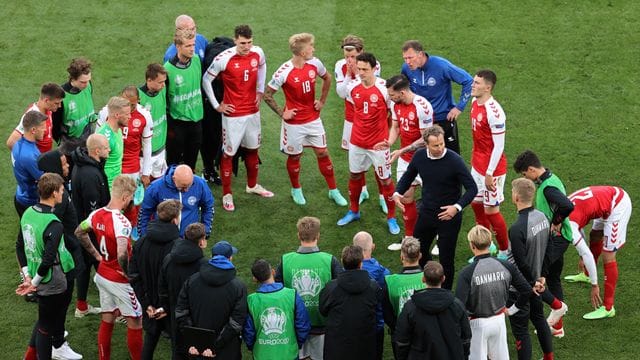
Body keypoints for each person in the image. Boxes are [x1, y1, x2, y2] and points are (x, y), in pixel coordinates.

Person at [263, 32, 346, 206]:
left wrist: (322, 101)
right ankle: (296, 189)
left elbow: (327, 77)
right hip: (294, 124)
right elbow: (267, 94)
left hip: (313, 119)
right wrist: (282, 113)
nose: (313, 49)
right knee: (295, 157)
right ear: (302, 52)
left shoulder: (315, 63)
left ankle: (333, 190)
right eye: (311, 46)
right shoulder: (284, 71)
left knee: (323, 152)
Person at [393, 125, 477, 289]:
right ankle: (427, 282)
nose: (440, 148)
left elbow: (472, 188)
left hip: (449, 217)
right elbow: (408, 175)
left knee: (446, 259)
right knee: (419, 252)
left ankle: (444, 292)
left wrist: (456, 207)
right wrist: (397, 193)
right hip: (427, 213)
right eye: (435, 145)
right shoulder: (419, 157)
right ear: (426, 144)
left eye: (442, 144)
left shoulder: (455, 160)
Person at [202, 24, 273, 212]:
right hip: (233, 115)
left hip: (253, 111)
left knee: (253, 149)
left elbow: (263, 66)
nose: (246, 46)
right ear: (235, 40)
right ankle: (227, 194)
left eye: (249, 42)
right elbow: (206, 80)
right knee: (229, 153)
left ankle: (252, 185)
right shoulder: (224, 59)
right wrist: (218, 105)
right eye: (243, 43)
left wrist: (260, 90)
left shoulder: (258, 53)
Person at [75, 175, 143, 360]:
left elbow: (79, 232)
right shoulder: (122, 222)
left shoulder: (95, 214)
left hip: (102, 275)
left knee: (108, 317)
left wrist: (97, 256)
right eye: (132, 197)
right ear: (126, 197)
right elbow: (122, 253)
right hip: (119, 280)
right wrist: (129, 275)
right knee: (136, 321)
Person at [336, 52, 400, 235]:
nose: (361, 72)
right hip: (356, 142)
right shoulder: (352, 87)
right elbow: (354, 110)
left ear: (374, 69)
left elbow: (393, 116)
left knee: (385, 179)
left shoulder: (384, 89)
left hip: (378, 144)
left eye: (365, 69)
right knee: (355, 176)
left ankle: (392, 218)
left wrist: (388, 139)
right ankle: (354, 211)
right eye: (359, 68)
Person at [16, 173, 78, 360]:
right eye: (60, 190)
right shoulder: (54, 223)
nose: (63, 194)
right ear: (53, 193)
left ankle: (32, 355)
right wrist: (33, 282)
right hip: (53, 280)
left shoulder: (28, 212)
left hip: (37, 275)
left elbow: (20, 246)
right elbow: (49, 259)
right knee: (46, 325)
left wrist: (27, 275)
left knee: (46, 321)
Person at [513, 150, 572, 335]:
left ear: (531, 169)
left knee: (536, 276)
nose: (526, 179)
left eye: (524, 174)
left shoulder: (547, 188)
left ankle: (545, 315)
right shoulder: (553, 178)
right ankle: (557, 326)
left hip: (556, 239)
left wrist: (556, 221)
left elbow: (568, 205)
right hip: (559, 237)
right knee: (553, 278)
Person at [455, 225, 535, 360]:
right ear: (489, 242)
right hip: (499, 321)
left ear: (472, 245)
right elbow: (527, 290)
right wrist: (512, 310)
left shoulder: (466, 273)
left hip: (476, 325)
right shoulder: (506, 265)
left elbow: (458, 307)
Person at [374, 74, 433, 248]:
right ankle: (409, 238)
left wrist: (402, 150)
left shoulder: (422, 107)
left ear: (402, 92)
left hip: (426, 161)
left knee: (433, 201)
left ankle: (438, 238)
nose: (390, 98)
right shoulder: (396, 104)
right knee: (406, 198)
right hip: (406, 160)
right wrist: (390, 142)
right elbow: (396, 126)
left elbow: (426, 139)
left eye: (392, 95)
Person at [274, 216, 342, 360]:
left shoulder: (285, 260)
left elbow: (278, 291)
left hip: (295, 326)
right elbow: (339, 290)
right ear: (318, 236)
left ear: (298, 235)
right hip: (322, 326)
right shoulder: (329, 260)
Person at [334, 35, 386, 212]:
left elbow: (368, 88)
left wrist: (354, 75)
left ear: (361, 53)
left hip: (371, 120)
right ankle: (362, 190)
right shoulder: (339, 66)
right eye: (346, 56)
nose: (349, 60)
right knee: (356, 160)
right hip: (352, 119)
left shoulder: (373, 64)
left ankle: (382, 197)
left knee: (377, 161)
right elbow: (342, 93)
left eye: (353, 56)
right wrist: (349, 74)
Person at [565, 186, 632, 320]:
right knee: (595, 235)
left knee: (608, 255)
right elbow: (580, 230)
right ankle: (587, 275)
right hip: (604, 202)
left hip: (617, 205)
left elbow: (586, 253)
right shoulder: (562, 211)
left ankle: (608, 307)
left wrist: (595, 285)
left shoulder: (569, 225)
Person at [175, 240, 247, 359]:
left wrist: (195, 341)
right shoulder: (238, 287)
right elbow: (237, 322)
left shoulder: (192, 281)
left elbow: (181, 312)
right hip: (226, 351)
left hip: (196, 351)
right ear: (230, 259)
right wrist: (215, 346)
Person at [508, 178, 554, 360]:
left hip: (521, 288)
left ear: (516, 197)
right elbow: (549, 248)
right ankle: (549, 357)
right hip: (537, 281)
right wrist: (542, 275)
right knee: (539, 318)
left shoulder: (517, 228)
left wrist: (533, 282)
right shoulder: (543, 217)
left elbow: (520, 262)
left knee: (521, 332)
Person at [129, 199, 182, 360]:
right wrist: (164, 307)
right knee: (177, 347)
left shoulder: (141, 242)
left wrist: (147, 305)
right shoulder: (178, 247)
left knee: (150, 342)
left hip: (150, 305)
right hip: (170, 308)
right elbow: (178, 283)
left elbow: (134, 276)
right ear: (175, 219)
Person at [400, 40, 472, 155]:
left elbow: (468, 81)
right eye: (405, 58)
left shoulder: (441, 66)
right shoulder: (406, 69)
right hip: (422, 119)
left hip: (444, 120)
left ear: (420, 54)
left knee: (451, 158)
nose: (407, 62)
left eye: (410, 57)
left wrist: (459, 107)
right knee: (424, 158)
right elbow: (403, 89)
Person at [468, 70, 510, 258]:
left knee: (491, 211)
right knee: (476, 204)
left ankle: (504, 250)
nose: (473, 85)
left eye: (477, 83)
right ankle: (487, 246)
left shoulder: (495, 112)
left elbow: (499, 145)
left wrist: (490, 172)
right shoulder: (474, 103)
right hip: (476, 165)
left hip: (492, 170)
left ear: (488, 87)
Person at [394, 261, 471, 360]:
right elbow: (466, 338)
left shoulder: (410, 307)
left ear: (423, 279)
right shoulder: (457, 305)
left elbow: (402, 340)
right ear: (443, 278)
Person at [70, 133, 111, 318]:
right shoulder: (90, 174)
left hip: (83, 227)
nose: (109, 149)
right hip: (90, 231)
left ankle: (82, 306)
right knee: (105, 267)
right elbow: (94, 211)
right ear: (96, 151)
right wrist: (102, 231)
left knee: (85, 267)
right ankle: (115, 310)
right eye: (106, 147)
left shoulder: (85, 165)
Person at [319, 245, 381, 360]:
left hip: (337, 348)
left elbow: (323, 310)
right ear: (361, 263)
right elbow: (378, 313)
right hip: (365, 347)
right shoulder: (373, 287)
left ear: (342, 262)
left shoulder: (331, 288)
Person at [243, 259, 311, 360]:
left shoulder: (251, 300)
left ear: (254, 279)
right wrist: (296, 344)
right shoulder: (292, 294)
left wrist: (253, 347)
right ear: (273, 272)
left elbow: (248, 332)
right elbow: (303, 325)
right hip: (289, 354)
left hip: (262, 355)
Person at [158, 223, 208, 359]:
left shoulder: (169, 258)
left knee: (178, 351)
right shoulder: (203, 264)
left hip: (175, 313)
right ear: (202, 241)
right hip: (195, 316)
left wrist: (167, 309)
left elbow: (162, 288)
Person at [164, 28, 204, 170]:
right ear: (178, 47)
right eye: (188, 46)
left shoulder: (197, 61)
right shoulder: (168, 69)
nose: (192, 49)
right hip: (177, 124)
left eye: (193, 45)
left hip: (196, 122)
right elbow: (164, 100)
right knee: (173, 163)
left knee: (191, 162)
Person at [138, 164, 214, 237]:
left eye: (189, 185)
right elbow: (145, 212)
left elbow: (208, 207)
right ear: (174, 178)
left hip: (190, 238)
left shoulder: (200, 184)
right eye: (183, 186)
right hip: (163, 238)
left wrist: (205, 231)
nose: (187, 190)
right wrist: (144, 236)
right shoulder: (156, 187)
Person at [382, 236, 425, 356]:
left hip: (400, 336)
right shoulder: (430, 279)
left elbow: (387, 313)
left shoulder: (390, 281)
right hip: (425, 332)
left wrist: (397, 328)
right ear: (420, 256)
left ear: (401, 257)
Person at [352, 231, 389, 360]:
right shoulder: (384, 273)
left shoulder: (345, 273)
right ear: (373, 247)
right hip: (376, 325)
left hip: (352, 326)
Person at [7, 83, 65, 153]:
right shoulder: (32, 116)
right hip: (36, 161)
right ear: (46, 100)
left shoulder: (49, 110)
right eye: (56, 103)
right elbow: (11, 142)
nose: (59, 106)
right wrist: (29, 159)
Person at [52, 57, 97, 148]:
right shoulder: (61, 96)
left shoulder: (88, 86)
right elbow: (55, 125)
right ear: (73, 79)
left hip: (89, 140)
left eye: (88, 80)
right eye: (83, 82)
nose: (86, 84)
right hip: (70, 146)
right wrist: (62, 143)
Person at [139, 63, 169, 180]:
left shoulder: (163, 90)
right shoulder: (138, 97)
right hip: (144, 155)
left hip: (161, 149)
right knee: (143, 187)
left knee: (159, 182)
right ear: (149, 80)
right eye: (160, 82)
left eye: (164, 82)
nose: (163, 85)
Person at [95, 96, 131, 189]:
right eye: (127, 114)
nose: (130, 117)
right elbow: (95, 166)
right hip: (107, 190)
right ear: (117, 115)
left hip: (115, 186)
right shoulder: (105, 138)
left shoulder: (117, 129)